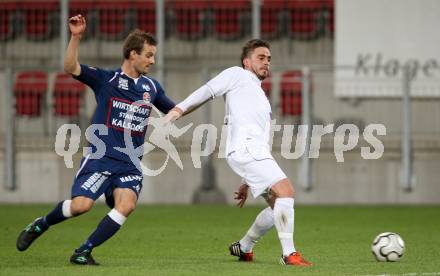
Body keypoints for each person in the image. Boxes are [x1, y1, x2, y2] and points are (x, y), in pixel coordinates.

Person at [16, 14, 175, 265]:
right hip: (100, 158)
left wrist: (207, 96)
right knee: (81, 206)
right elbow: (71, 68)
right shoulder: (106, 80)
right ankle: (41, 224)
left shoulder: (151, 88)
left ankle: (84, 251)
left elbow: (174, 109)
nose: (153, 61)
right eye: (149, 55)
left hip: (129, 163)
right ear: (133, 54)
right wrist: (76, 37)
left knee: (127, 205)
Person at [164, 39, 312, 266]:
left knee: (277, 207)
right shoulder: (237, 75)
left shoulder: (261, 97)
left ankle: (244, 247)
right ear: (246, 61)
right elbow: (207, 91)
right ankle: (288, 254)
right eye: (261, 58)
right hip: (246, 149)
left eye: (269, 59)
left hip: (251, 152)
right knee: (287, 192)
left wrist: (246, 179)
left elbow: (259, 135)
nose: (266, 63)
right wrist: (178, 109)